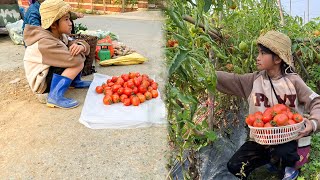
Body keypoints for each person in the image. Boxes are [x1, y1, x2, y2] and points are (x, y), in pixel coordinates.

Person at [215, 31, 320, 180]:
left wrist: (314, 123)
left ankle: (288, 166)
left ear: (277, 58)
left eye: (262, 53)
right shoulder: (253, 81)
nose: (257, 58)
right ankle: (272, 160)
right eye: (258, 52)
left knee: (284, 153)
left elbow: (316, 102)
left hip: (288, 139)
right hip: (261, 139)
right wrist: (209, 75)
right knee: (234, 165)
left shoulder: (293, 81)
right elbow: (232, 80)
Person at [23, 0, 91, 109]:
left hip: (48, 71)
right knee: (77, 63)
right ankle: (54, 96)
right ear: (54, 24)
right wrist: (82, 51)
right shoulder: (44, 42)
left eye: (70, 19)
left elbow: (74, 43)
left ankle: (74, 82)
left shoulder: (59, 35)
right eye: (66, 19)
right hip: (41, 83)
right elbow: (76, 60)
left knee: (75, 52)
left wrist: (81, 46)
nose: (70, 23)